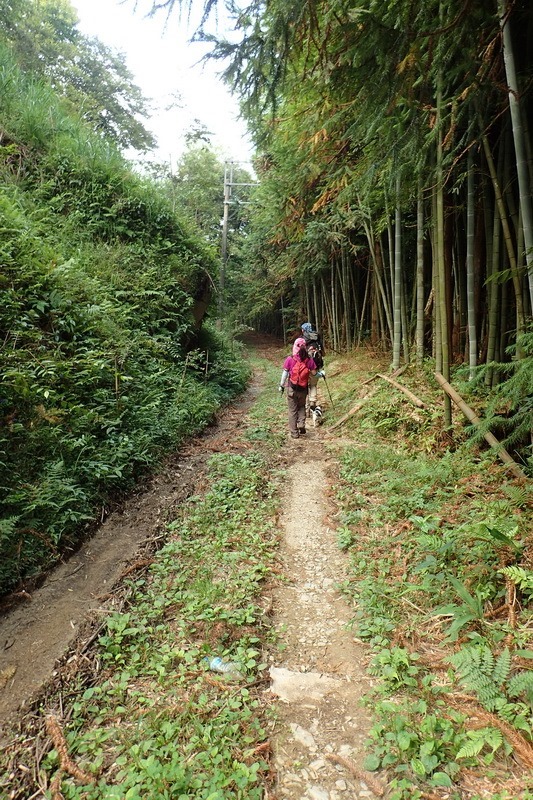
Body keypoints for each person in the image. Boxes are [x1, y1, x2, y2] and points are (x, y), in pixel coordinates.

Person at [278, 344, 317, 438]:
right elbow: (314, 373)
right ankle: (301, 424)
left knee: (292, 410)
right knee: (301, 407)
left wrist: (281, 385)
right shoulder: (309, 360)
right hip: (303, 390)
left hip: (292, 388)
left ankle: (294, 433)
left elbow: (285, 373)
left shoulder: (290, 359)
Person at [299, 323, 324, 411]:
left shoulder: (301, 339)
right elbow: (322, 352)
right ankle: (312, 401)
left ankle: (306, 406)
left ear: (303, 330)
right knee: (313, 385)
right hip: (316, 366)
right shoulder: (317, 337)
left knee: (304, 386)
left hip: (304, 367)